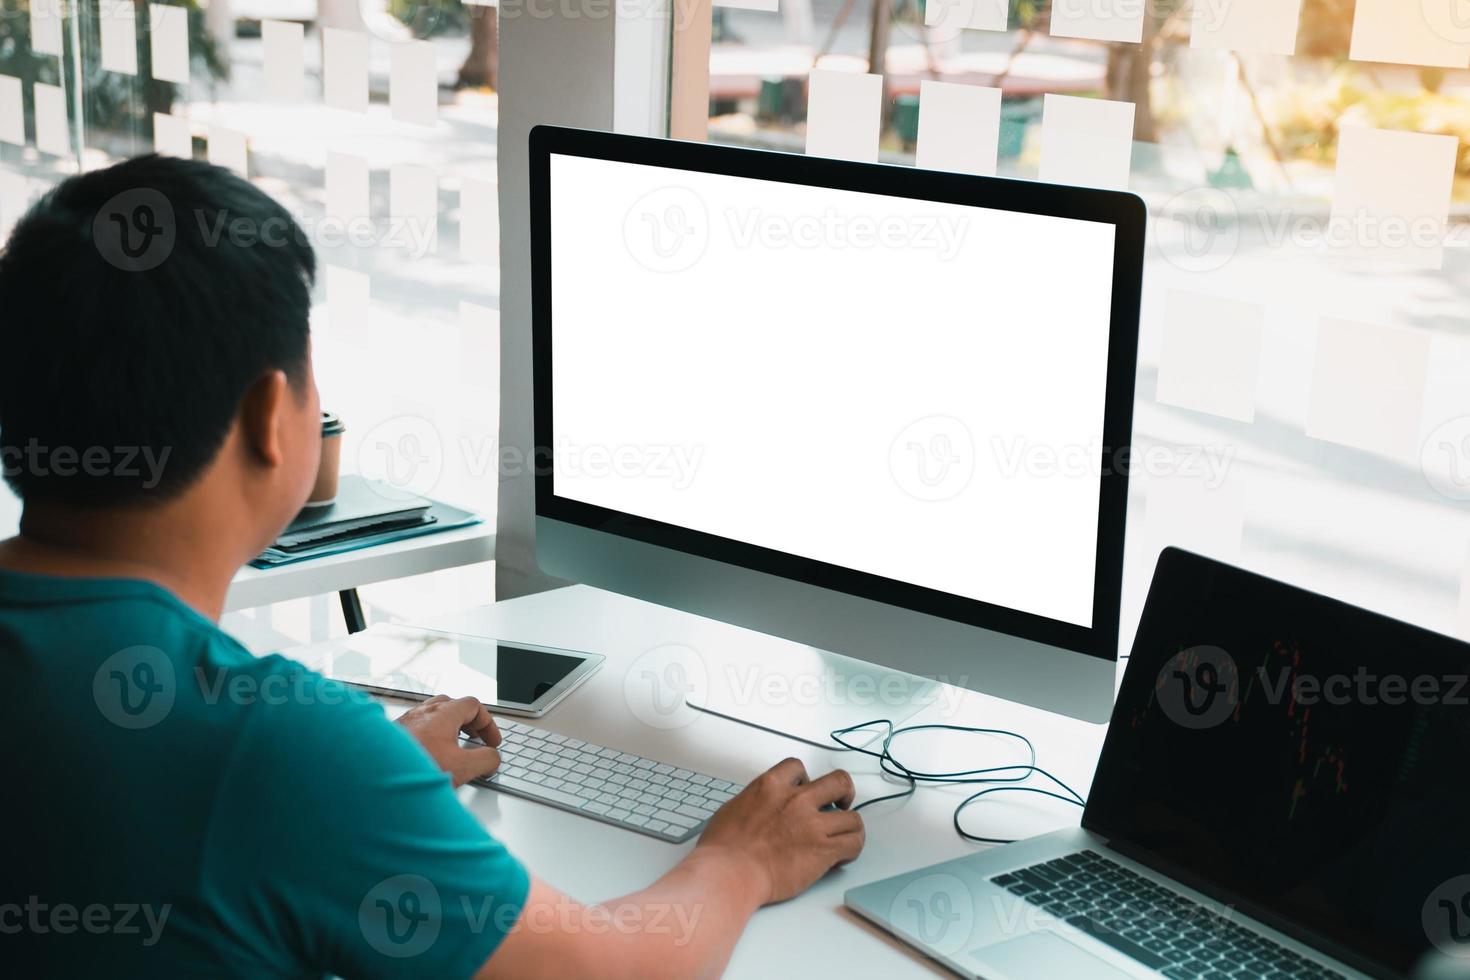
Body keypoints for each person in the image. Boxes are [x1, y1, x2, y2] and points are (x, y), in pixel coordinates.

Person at [0, 155, 864, 977]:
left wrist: (368, 784)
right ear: (272, 415)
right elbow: (611, 972)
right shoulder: (271, 750)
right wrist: (741, 858)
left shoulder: (290, 759)